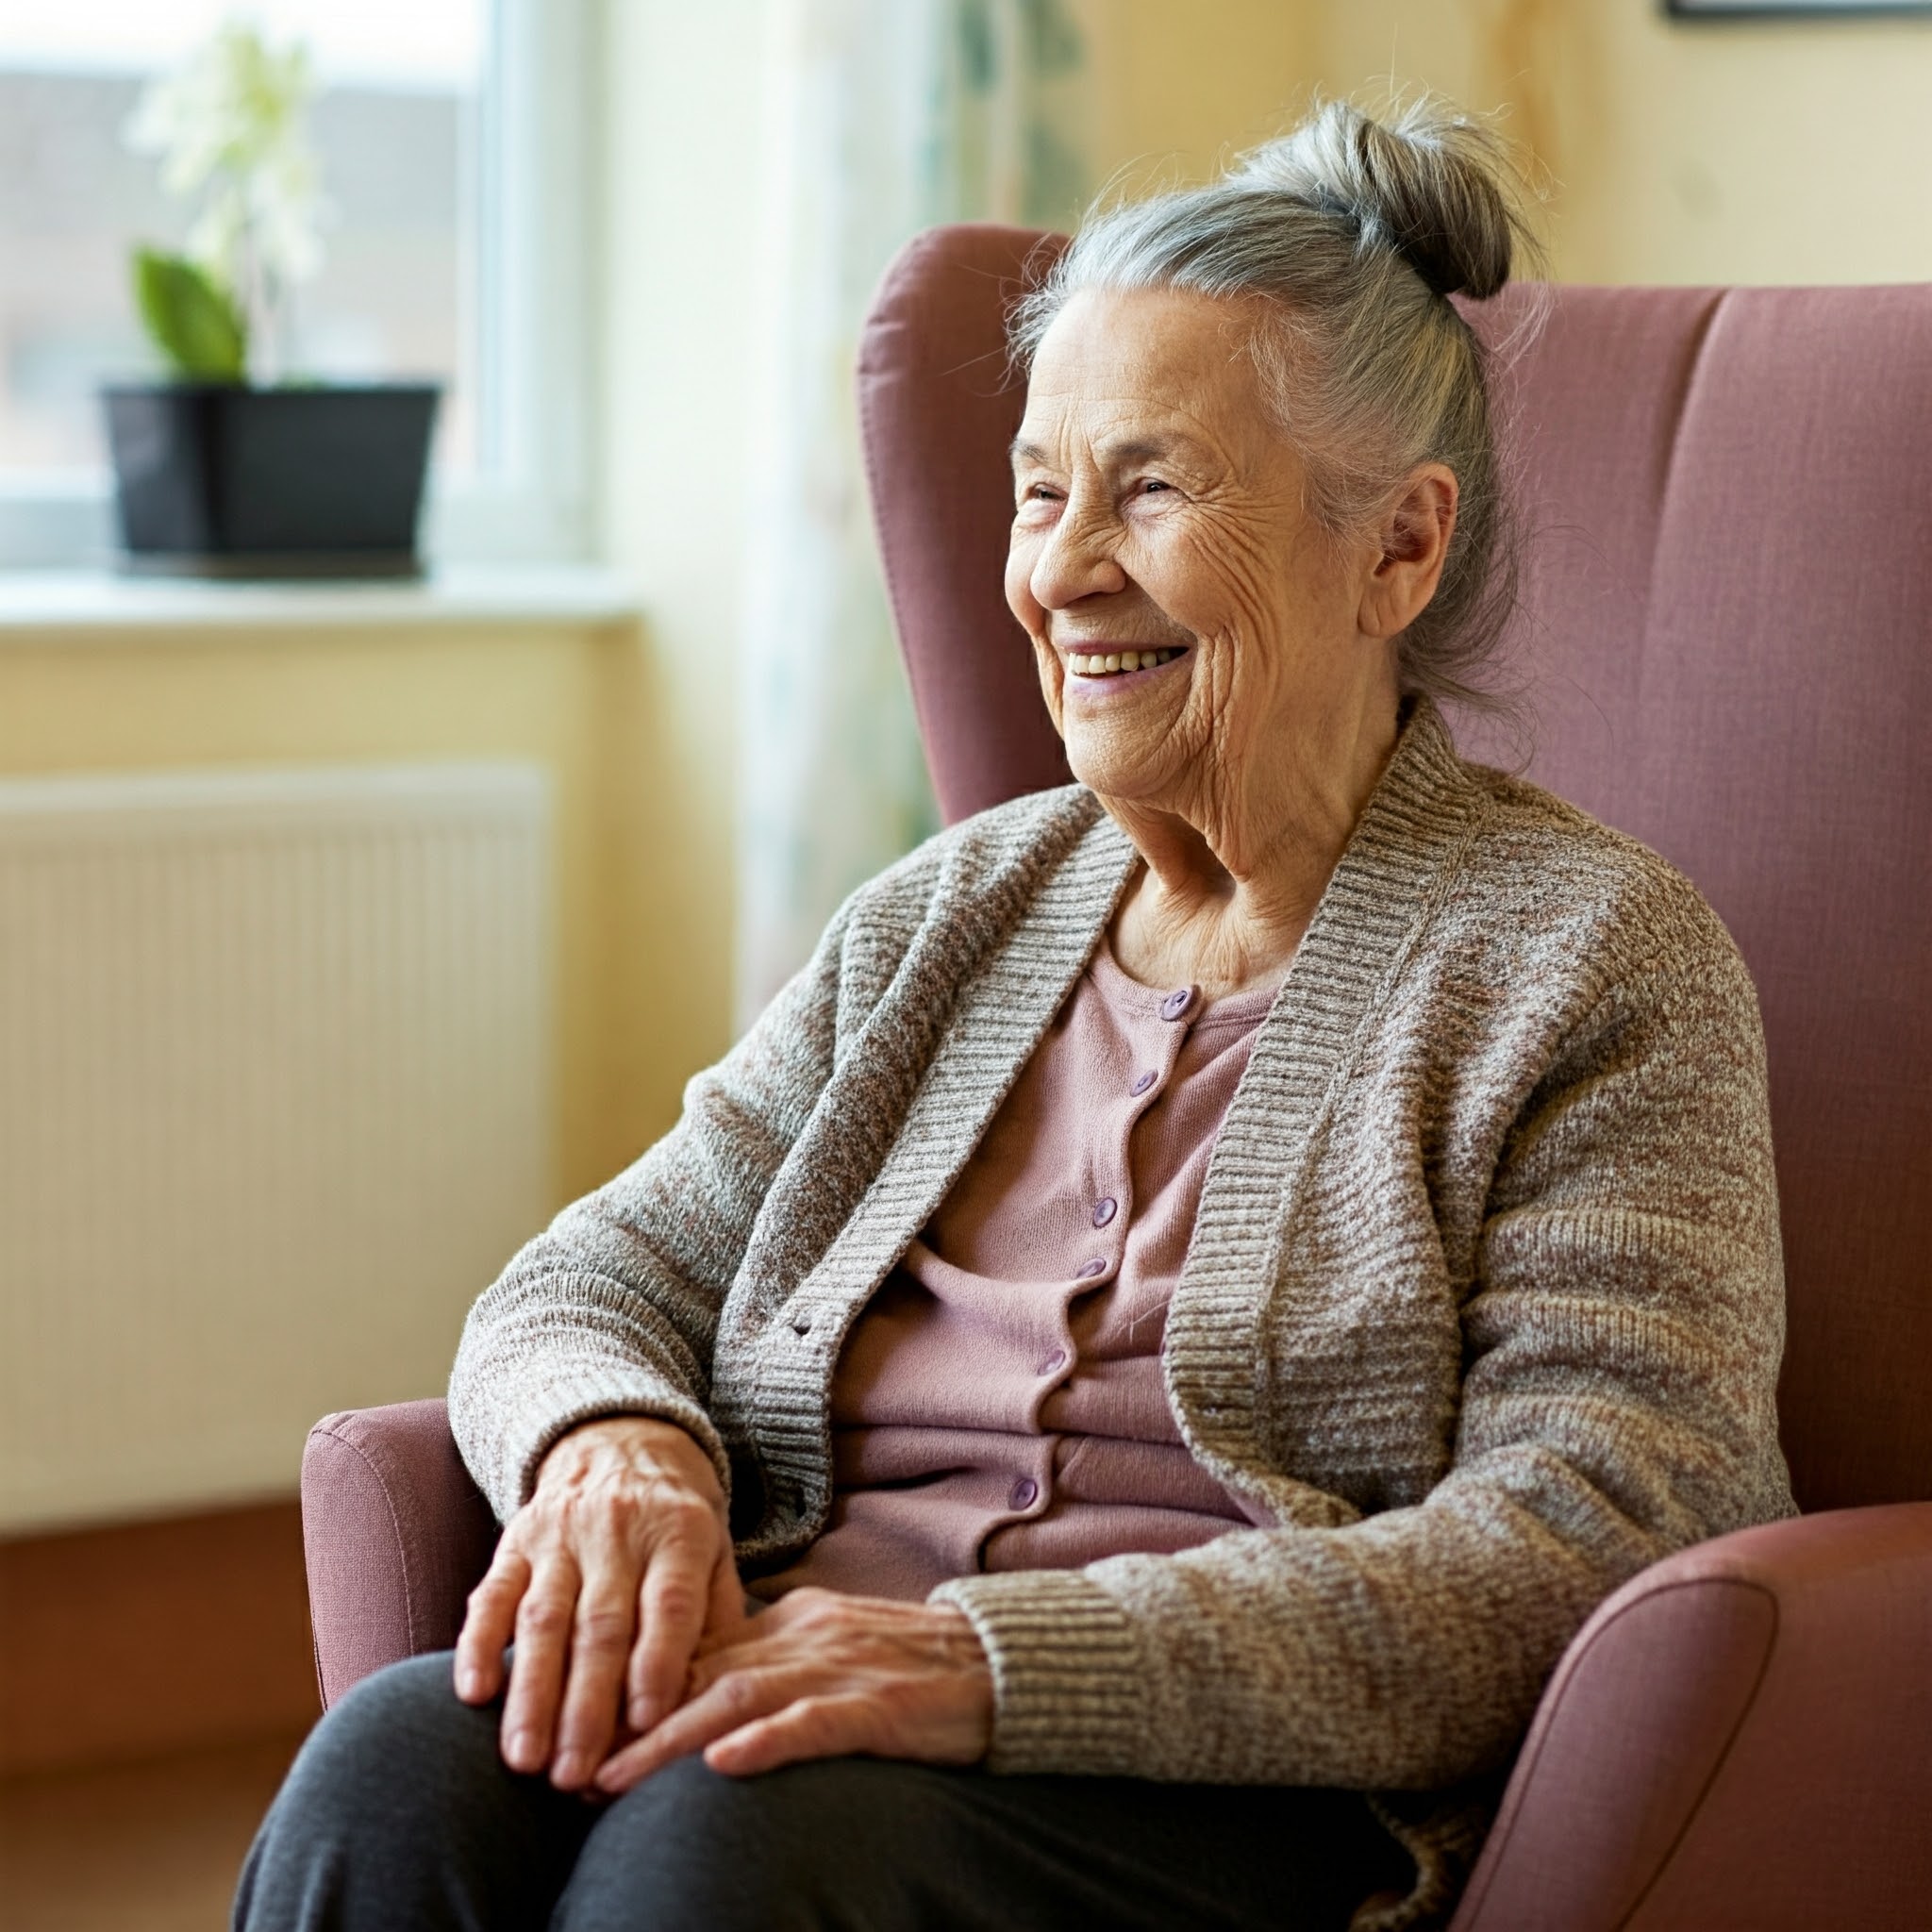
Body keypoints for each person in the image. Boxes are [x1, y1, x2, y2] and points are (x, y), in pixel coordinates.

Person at [235, 97, 1793, 1932]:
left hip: (1222, 1796)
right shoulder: (950, 918)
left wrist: (991, 1660)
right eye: (1039, 490)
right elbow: (587, 1281)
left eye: (1149, 487)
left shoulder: (1586, 958)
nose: (1057, 571)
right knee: (397, 1764)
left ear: (1396, 549)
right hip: (804, 1689)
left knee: (731, 1847)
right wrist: (619, 1451)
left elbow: (1601, 1527)